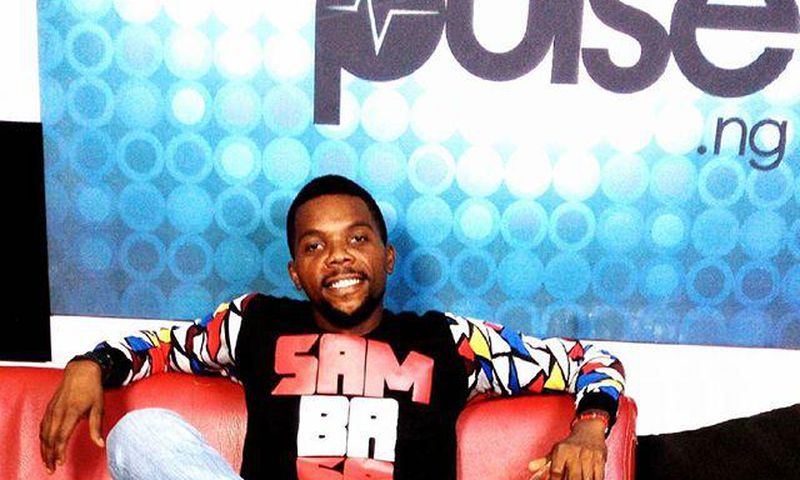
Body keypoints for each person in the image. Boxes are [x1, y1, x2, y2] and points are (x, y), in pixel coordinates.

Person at [40, 175, 626, 480]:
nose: (339, 256)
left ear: (387, 258)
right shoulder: (254, 323)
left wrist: (590, 429)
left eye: (357, 238)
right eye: (315, 245)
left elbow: (589, 361)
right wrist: (92, 364)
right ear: (296, 272)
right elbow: (163, 347)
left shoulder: (448, 341)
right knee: (140, 433)